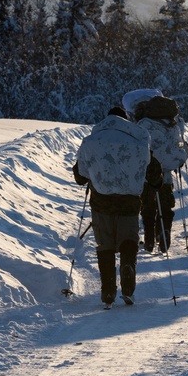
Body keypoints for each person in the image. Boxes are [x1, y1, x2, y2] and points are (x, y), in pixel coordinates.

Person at [72, 106, 158, 308]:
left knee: (106, 246)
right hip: (129, 201)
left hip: (101, 202)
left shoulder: (92, 140)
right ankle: (128, 281)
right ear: (125, 120)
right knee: (129, 241)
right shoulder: (138, 140)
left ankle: (108, 292)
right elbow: (152, 171)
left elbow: (80, 176)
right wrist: (156, 182)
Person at [134, 94, 188, 253]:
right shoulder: (174, 123)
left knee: (147, 205)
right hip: (165, 174)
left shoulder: (143, 123)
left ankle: (149, 238)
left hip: (148, 173)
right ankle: (164, 232)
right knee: (166, 204)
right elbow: (180, 144)